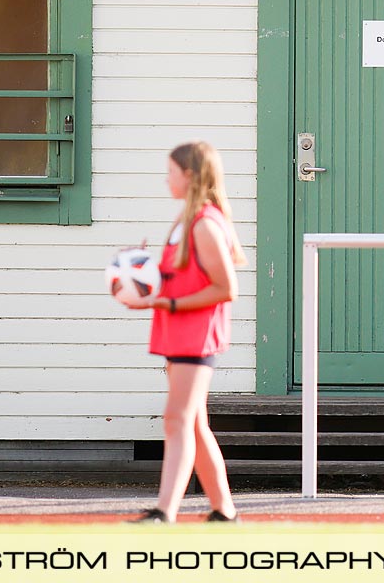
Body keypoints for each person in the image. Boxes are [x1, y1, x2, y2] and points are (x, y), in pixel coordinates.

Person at [116, 141, 246, 522]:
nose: (166, 179)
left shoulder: (205, 223)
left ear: (189, 176)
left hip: (196, 333)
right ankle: (225, 512)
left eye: (170, 172)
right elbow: (180, 276)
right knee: (193, 422)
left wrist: (164, 304)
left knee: (176, 418)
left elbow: (226, 288)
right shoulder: (184, 221)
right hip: (178, 331)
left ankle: (165, 511)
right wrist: (140, 269)